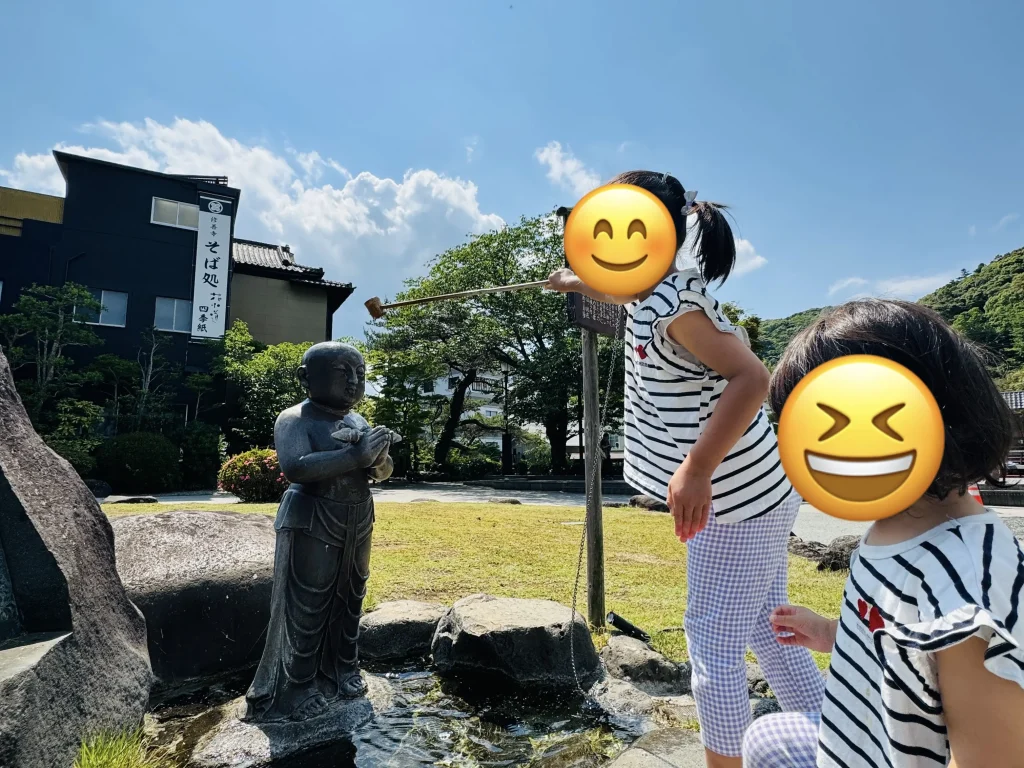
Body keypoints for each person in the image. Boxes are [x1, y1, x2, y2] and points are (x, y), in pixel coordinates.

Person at [546, 171, 825, 768]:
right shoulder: (649, 290)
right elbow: (625, 292)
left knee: (712, 641)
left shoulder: (674, 303)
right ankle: (836, 734)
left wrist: (696, 468)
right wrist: (574, 279)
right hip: (756, 492)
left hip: (737, 496)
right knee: (768, 626)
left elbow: (753, 377)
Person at [742, 299, 1024, 767]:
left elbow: (993, 756)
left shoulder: (966, 578)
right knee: (768, 737)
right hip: (853, 746)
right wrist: (836, 632)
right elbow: (900, 641)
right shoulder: (892, 530)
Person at [243, 342, 394, 722]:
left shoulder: (357, 421)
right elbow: (296, 467)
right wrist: (354, 457)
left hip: (358, 516)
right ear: (306, 377)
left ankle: (343, 669)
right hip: (312, 515)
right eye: (344, 372)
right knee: (306, 604)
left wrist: (379, 461)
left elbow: (378, 471)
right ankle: (296, 686)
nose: (354, 381)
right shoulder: (295, 418)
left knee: (350, 595)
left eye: (360, 373)